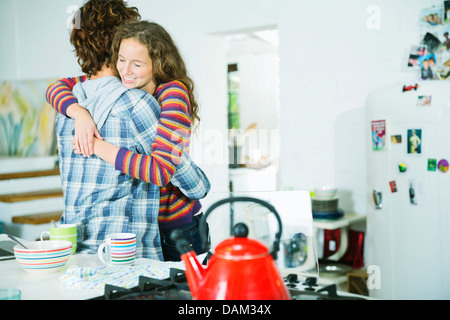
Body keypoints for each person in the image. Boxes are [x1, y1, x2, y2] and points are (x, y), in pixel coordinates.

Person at [50, 0, 210, 260]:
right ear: (118, 42)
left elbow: (164, 168)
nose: (127, 67)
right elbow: (194, 184)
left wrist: (92, 137)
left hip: (92, 241)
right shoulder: (133, 102)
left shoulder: (69, 102)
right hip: (141, 237)